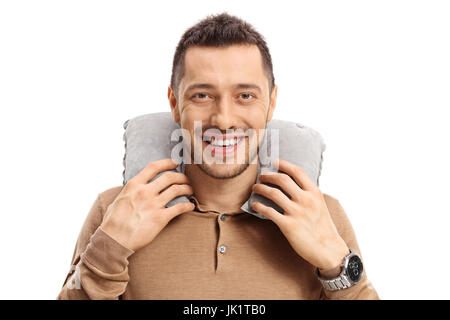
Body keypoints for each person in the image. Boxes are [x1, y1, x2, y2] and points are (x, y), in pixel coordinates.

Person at [57, 12, 379, 300]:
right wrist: (109, 248)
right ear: (173, 103)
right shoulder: (114, 209)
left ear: (271, 102)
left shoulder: (321, 213)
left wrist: (339, 266)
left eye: (245, 96)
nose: (223, 119)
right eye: (202, 95)